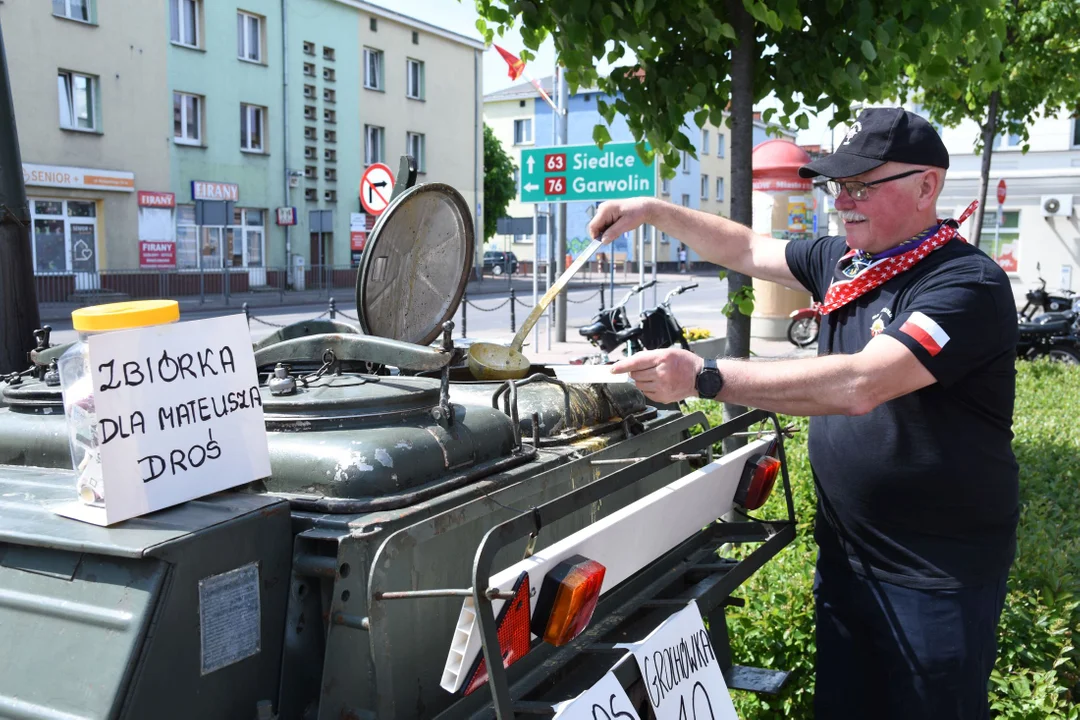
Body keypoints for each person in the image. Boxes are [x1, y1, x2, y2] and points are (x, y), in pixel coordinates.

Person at [587, 108, 1018, 720]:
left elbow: (861, 383)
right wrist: (654, 210)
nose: (845, 201)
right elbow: (746, 246)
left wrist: (705, 376)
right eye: (839, 185)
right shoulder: (845, 263)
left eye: (864, 185)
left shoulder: (963, 284)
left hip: (934, 575)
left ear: (928, 186)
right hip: (848, 559)